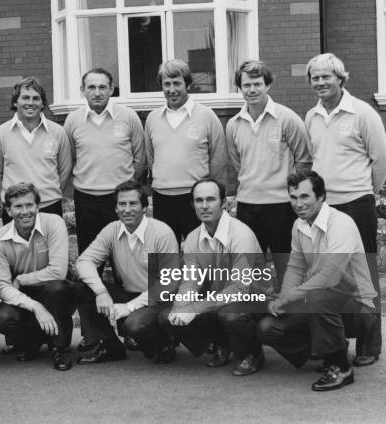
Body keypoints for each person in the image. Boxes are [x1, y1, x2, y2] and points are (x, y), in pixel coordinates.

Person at [305, 53, 386, 366]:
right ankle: (333, 341)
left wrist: (365, 192)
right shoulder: (311, 116)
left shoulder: (363, 113)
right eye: (315, 77)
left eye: (326, 76)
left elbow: (382, 161)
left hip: (357, 205)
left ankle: (369, 346)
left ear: (341, 79)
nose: (320, 82)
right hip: (324, 208)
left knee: (362, 275)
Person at [258, 171, 378, 391]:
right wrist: (283, 300)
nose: (298, 203)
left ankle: (341, 368)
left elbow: (328, 278)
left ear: (321, 196)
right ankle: (331, 347)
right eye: (293, 197)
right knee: (268, 327)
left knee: (317, 296)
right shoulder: (298, 225)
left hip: (358, 309)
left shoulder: (341, 224)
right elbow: (296, 267)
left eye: (305, 196)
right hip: (322, 303)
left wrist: (288, 299)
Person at [63, 68, 146, 352]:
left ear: (112, 89)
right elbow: (69, 159)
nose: (97, 92)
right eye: (91, 87)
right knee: (91, 269)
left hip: (119, 202)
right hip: (87, 200)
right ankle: (92, 333)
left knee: (127, 267)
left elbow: (141, 157)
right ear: (83, 89)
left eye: (102, 87)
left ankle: (132, 328)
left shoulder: (128, 117)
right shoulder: (73, 120)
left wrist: (127, 194)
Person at [159, 178, 268, 376]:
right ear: (193, 205)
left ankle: (253, 353)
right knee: (168, 317)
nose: (204, 205)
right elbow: (191, 280)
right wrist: (180, 308)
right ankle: (221, 342)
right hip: (218, 300)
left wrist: (194, 309)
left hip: (253, 299)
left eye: (211, 199)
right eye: (199, 201)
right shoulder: (193, 237)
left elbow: (239, 288)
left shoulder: (241, 234)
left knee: (230, 315)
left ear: (223, 203)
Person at [226, 60, 311, 288]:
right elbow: (238, 164)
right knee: (250, 269)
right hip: (248, 207)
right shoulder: (233, 125)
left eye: (257, 84)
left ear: (268, 85)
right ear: (240, 88)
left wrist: (294, 194)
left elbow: (304, 160)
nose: (251, 90)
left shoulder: (288, 118)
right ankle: (257, 315)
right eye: (246, 85)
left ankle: (290, 317)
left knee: (288, 267)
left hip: (281, 207)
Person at [75, 180, 179, 365]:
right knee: (82, 288)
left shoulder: (162, 233)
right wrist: (101, 292)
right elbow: (84, 261)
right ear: (115, 208)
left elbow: (168, 283)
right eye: (122, 204)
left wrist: (129, 308)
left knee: (134, 326)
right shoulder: (112, 230)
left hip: (158, 300)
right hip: (128, 293)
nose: (127, 209)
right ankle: (111, 346)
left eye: (133, 203)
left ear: (144, 207)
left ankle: (164, 343)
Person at [0, 183, 75, 371]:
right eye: (18, 206)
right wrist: (36, 307)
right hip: (24, 295)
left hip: (53, 289)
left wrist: (21, 279)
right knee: (1, 319)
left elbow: (58, 271)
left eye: (29, 205)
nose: (25, 211)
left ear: (38, 206)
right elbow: (3, 286)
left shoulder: (53, 222)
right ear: (8, 210)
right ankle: (32, 342)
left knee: (55, 288)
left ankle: (58, 347)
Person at [144, 59, 227, 244]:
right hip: (162, 199)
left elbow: (218, 158)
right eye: (167, 84)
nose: (171, 89)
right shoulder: (152, 119)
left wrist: (208, 191)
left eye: (177, 83)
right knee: (165, 255)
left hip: (196, 199)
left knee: (201, 253)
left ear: (187, 84)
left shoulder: (207, 116)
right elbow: (151, 158)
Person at [0, 77, 72, 223]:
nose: (31, 103)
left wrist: (50, 194)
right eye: (25, 98)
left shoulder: (58, 132)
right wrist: (7, 200)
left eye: (36, 98)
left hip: (49, 207)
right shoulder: (0, 134)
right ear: (15, 102)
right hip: (15, 208)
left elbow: (65, 170)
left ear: (42, 103)